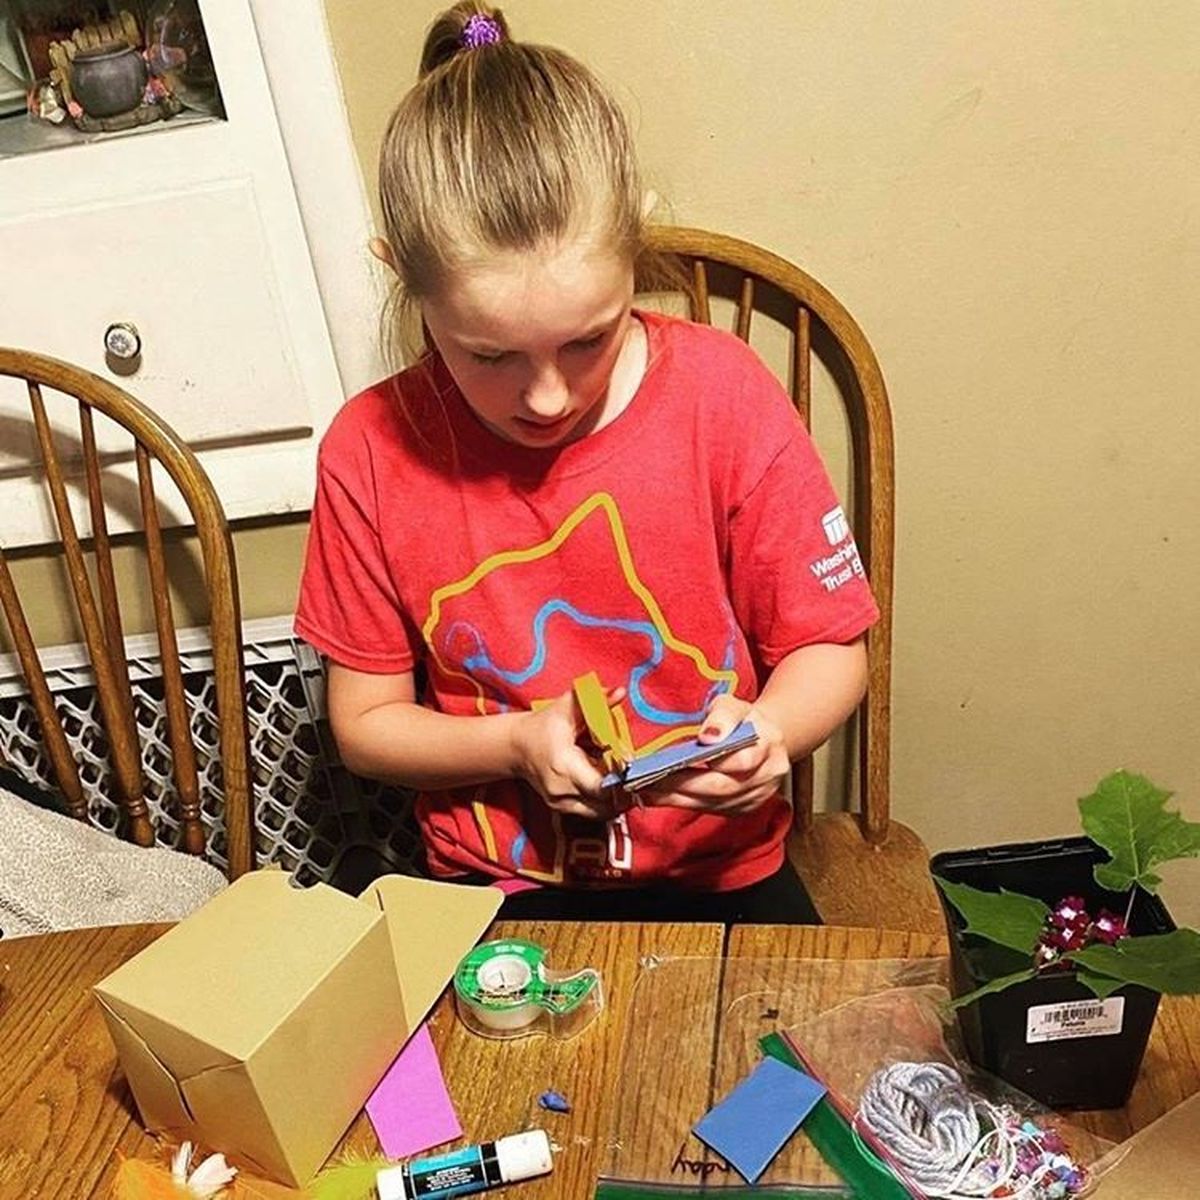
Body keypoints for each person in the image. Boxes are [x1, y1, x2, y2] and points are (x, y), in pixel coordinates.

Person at [295, 2, 878, 923]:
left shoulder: (722, 393)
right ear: (400, 274)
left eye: (587, 340)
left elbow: (829, 646)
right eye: (489, 355)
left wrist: (771, 732)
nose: (547, 398)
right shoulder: (368, 450)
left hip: (721, 869)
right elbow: (365, 727)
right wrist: (518, 743)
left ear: (635, 251)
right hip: (498, 890)